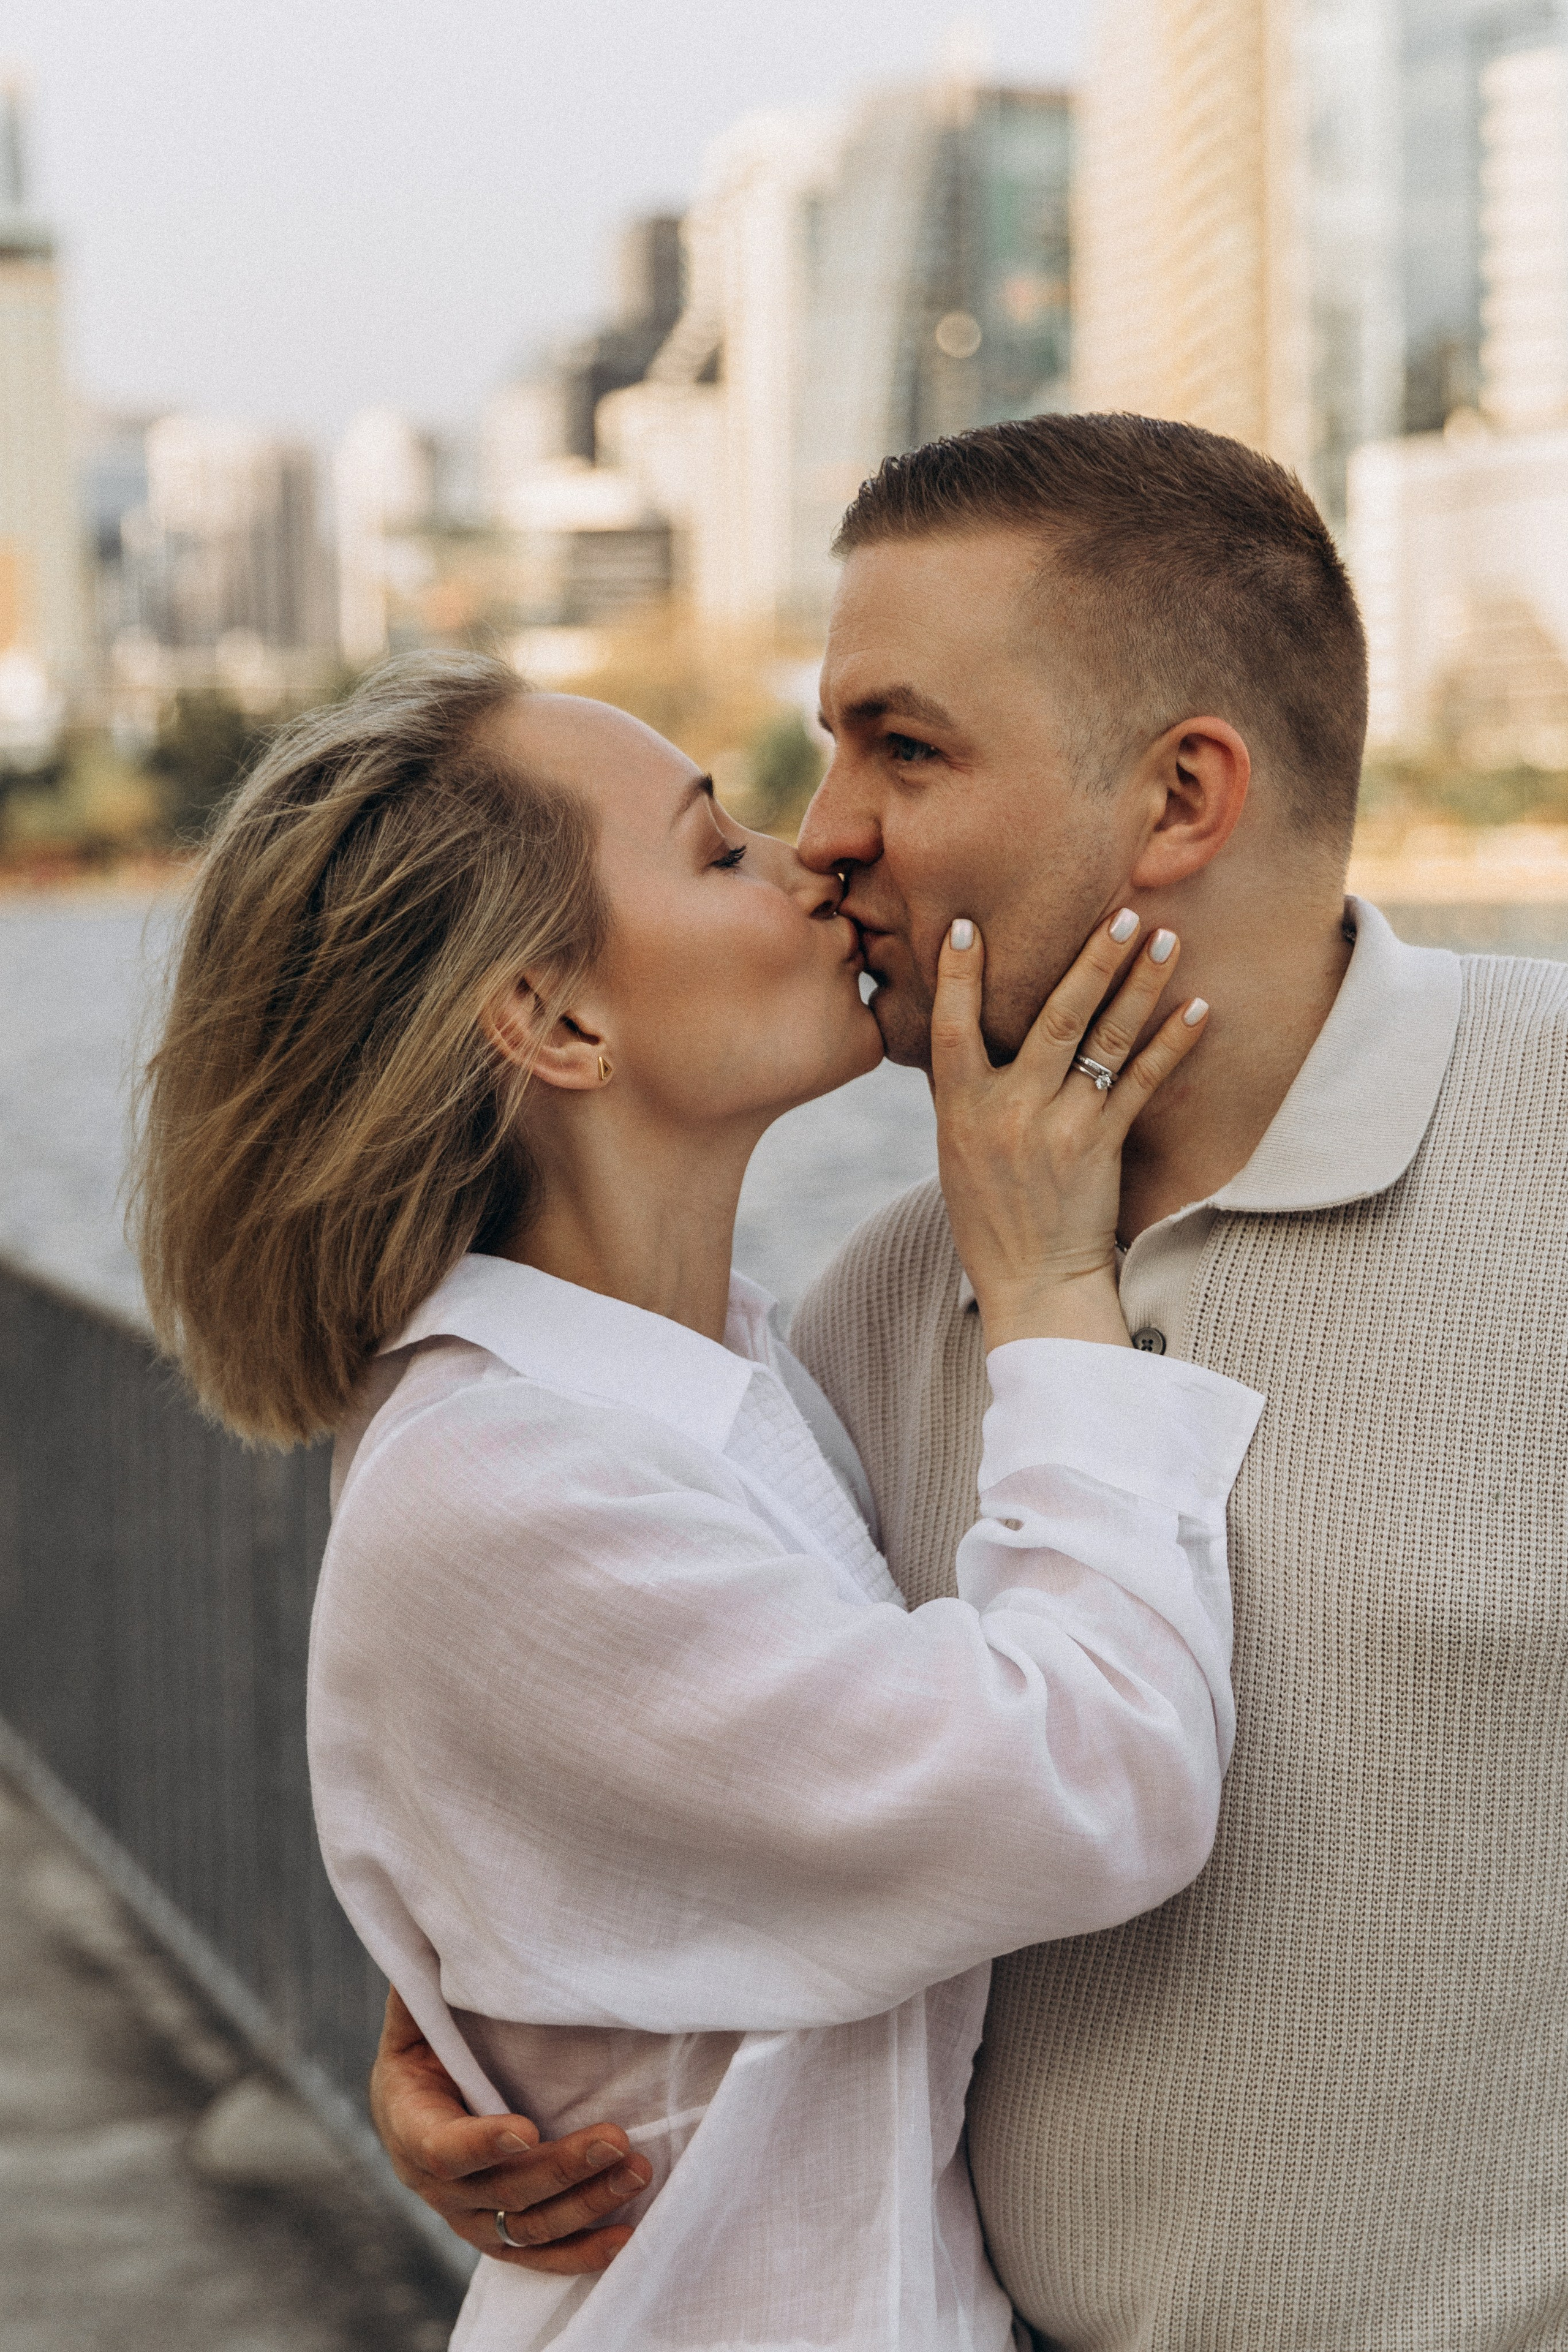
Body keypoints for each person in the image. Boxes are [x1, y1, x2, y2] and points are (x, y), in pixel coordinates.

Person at [371, 415, 1568, 2351]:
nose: (825, 827)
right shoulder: (863, 1315)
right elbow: (735, 1784)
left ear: (1183, 798)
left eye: (903, 747)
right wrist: (501, 2035)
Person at [132, 648, 1264, 2352]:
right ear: (555, 1020)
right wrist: (1047, 1291)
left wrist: (510, 1969)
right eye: (716, 850)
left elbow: (696, 1811)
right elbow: (1094, 1776)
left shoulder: (718, 1370)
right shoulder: (495, 1484)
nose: (810, 856)